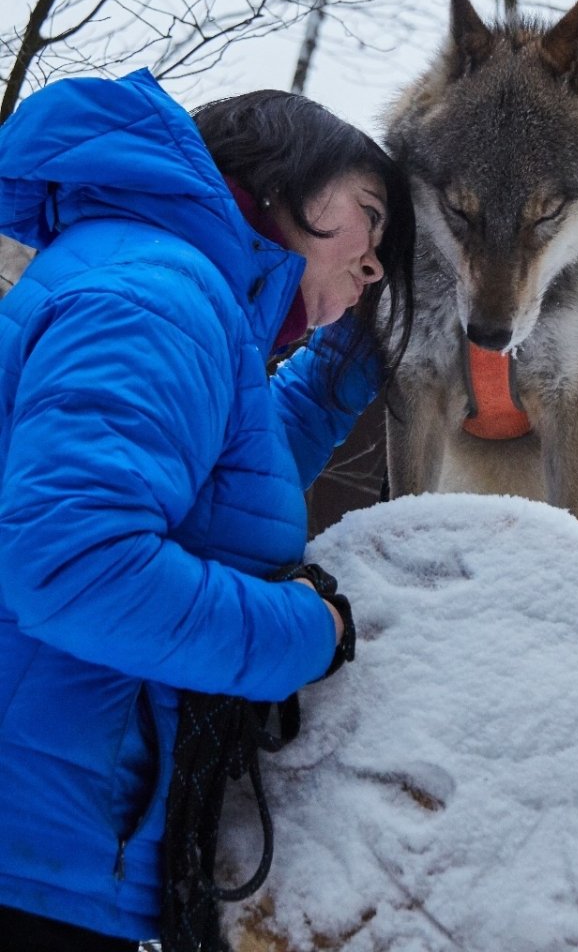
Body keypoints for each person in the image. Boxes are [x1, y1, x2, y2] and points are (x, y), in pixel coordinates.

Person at [0, 68, 415, 951]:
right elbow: (75, 571)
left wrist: (365, 349)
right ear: (282, 182)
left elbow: (231, 485)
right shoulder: (156, 296)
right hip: (29, 862)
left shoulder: (162, 283)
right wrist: (307, 633)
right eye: (370, 219)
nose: (377, 260)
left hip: (46, 843)